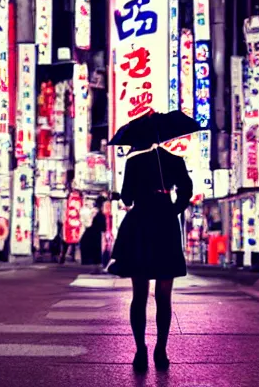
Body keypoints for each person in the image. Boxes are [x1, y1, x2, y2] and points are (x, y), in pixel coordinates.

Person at [109, 140, 192, 373]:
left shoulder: (134, 161)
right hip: (165, 224)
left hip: (140, 224)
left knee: (139, 294)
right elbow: (186, 191)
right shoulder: (175, 160)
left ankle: (140, 350)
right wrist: (172, 209)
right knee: (164, 295)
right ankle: (161, 350)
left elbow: (126, 197)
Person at [80, 196, 109, 273]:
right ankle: (97, 268)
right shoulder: (98, 213)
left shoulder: (97, 212)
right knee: (97, 251)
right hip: (96, 234)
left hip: (94, 233)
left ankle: (97, 268)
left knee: (96, 251)